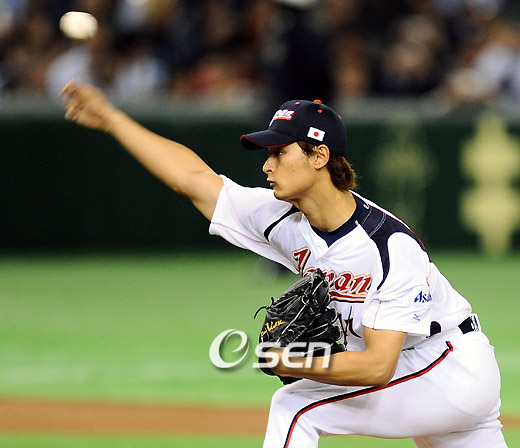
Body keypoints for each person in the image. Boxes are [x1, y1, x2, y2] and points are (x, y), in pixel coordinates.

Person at [61, 80, 506, 447]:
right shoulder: (282, 217)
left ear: (319, 156)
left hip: (447, 367)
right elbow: (193, 180)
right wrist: (113, 119)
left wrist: (293, 359)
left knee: (295, 407)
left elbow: (377, 367)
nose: (267, 166)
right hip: (423, 372)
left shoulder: (388, 246)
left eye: (279, 153)